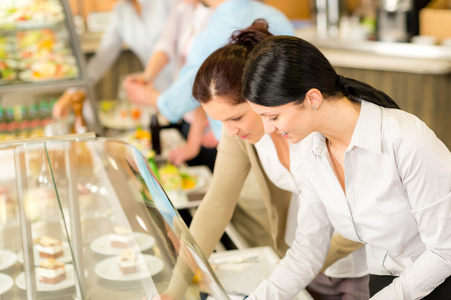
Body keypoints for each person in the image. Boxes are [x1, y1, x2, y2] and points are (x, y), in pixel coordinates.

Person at [242, 35, 451, 299]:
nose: (268, 129)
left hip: (438, 279)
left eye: (273, 116)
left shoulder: (406, 139)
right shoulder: (311, 151)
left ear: (312, 98)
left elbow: (445, 250)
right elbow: (308, 250)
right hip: (385, 280)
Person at [188, 20, 369, 299]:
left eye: (235, 117)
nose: (231, 131)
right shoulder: (239, 132)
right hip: (298, 259)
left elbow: (360, 216)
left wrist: (300, 267)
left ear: (259, 93)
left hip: (358, 265)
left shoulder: (312, 123)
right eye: (220, 122)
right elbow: (216, 205)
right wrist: (175, 287)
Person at [124, 0, 295, 143]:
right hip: (281, 131)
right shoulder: (273, 14)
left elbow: (197, 85)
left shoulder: (221, 26)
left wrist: (154, 99)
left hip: (248, 139)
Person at [123, 0, 218, 170]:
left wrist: (193, 143)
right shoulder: (182, 7)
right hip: (190, 117)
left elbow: (204, 81)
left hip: (210, 124)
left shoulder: (217, 16)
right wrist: (147, 76)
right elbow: (166, 43)